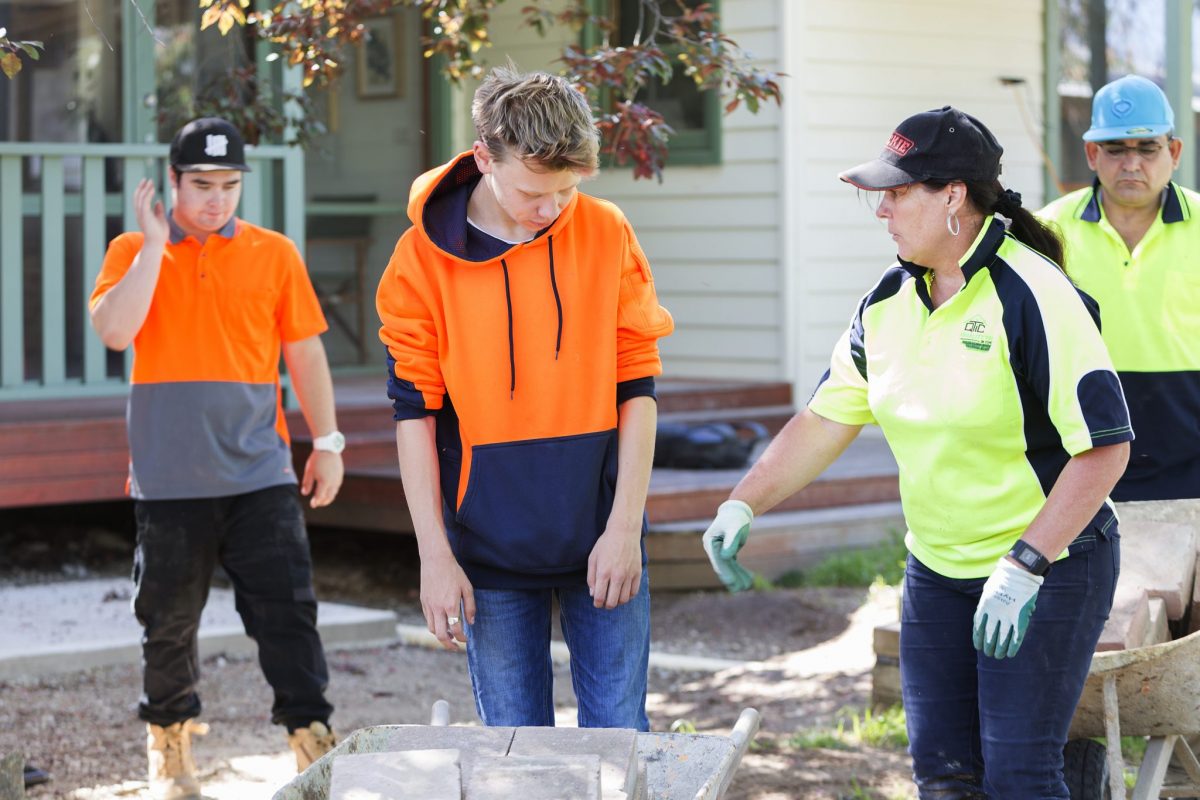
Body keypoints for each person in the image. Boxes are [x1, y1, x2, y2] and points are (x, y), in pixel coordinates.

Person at [702, 107, 1132, 798]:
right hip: (937, 569)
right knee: (944, 777)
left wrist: (1026, 564)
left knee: (1019, 776)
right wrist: (743, 502)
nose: (882, 211)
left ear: (953, 196)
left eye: (898, 193)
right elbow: (825, 419)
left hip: (1049, 565)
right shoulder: (887, 300)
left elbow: (1104, 451)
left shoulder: (1033, 293)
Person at [376, 66, 673, 730]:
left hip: (603, 535)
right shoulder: (419, 260)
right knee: (514, 753)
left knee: (620, 741)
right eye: (534, 192)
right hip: (488, 547)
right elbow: (414, 415)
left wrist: (625, 529)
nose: (552, 209)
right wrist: (434, 556)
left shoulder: (606, 230)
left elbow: (638, 387)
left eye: (568, 189)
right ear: (485, 158)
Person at [89, 118, 345, 799]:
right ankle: (169, 745)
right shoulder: (130, 251)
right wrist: (154, 246)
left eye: (229, 185)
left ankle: (311, 740)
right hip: (169, 480)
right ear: (172, 181)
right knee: (168, 624)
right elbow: (115, 330)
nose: (216, 199)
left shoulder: (274, 253)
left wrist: (327, 442)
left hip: (260, 471)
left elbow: (305, 351)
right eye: (201, 185)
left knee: (288, 613)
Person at [1040, 75, 1200, 502]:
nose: (1132, 164)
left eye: (1148, 148)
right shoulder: (1046, 232)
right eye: (1115, 149)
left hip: (1192, 466)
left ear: (1174, 152)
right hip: (1078, 466)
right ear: (1092, 154)